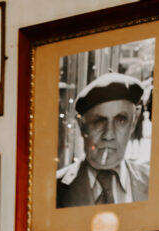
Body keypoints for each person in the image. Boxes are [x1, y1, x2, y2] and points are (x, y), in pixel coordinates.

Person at [56, 72, 150, 209]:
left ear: (133, 123)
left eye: (121, 120)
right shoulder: (55, 188)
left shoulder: (155, 183)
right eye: (99, 121)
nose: (109, 135)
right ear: (82, 125)